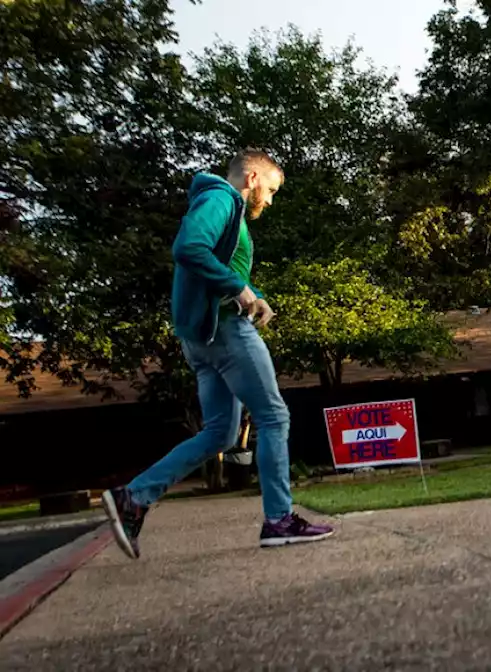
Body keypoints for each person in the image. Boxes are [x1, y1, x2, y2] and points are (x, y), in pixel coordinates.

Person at [101, 149, 334, 559]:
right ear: (253, 177)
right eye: (272, 190)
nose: (271, 200)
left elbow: (225, 269)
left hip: (203, 338)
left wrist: (254, 295)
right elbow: (189, 248)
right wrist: (236, 290)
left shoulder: (225, 209)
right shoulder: (222, 199)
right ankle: (279, 519)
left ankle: (134, 497)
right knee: (274, 416)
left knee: (220, 434)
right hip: (224, 331)